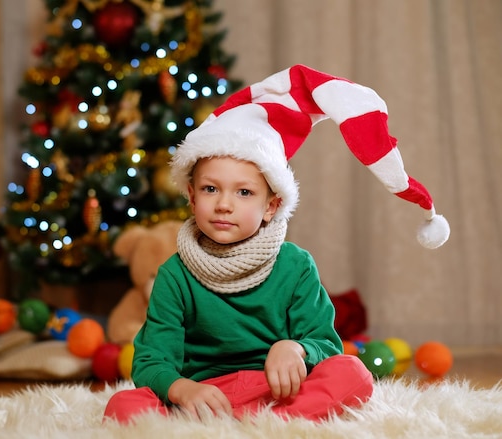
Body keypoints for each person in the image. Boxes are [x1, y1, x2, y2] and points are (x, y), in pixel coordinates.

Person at [103, 64, 450, 424]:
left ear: (271, 206)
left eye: (244, 192)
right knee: (123, 406)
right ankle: (241, 422)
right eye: (210, 189)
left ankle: (257, 422)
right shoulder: (175, 274)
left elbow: (325, 345)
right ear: (191, 196)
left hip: (277, 391)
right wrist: (181, 389)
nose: (224, 204)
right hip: (202, 396)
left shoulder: (295, 266)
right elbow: (151, 360)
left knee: (353, 373)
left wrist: (294, 348)